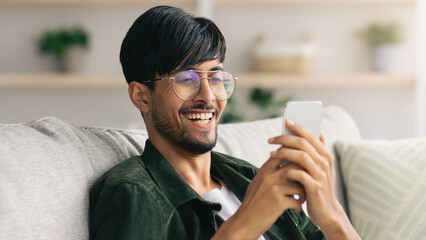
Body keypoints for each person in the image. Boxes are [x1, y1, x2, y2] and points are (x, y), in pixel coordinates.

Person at [89, 5, 360, 240]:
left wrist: (332, 214)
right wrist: (247, 222)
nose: (208, 96)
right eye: (186, 79)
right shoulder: (133, 193)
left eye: (216, 78)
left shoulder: (249, 178)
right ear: (141, 97)